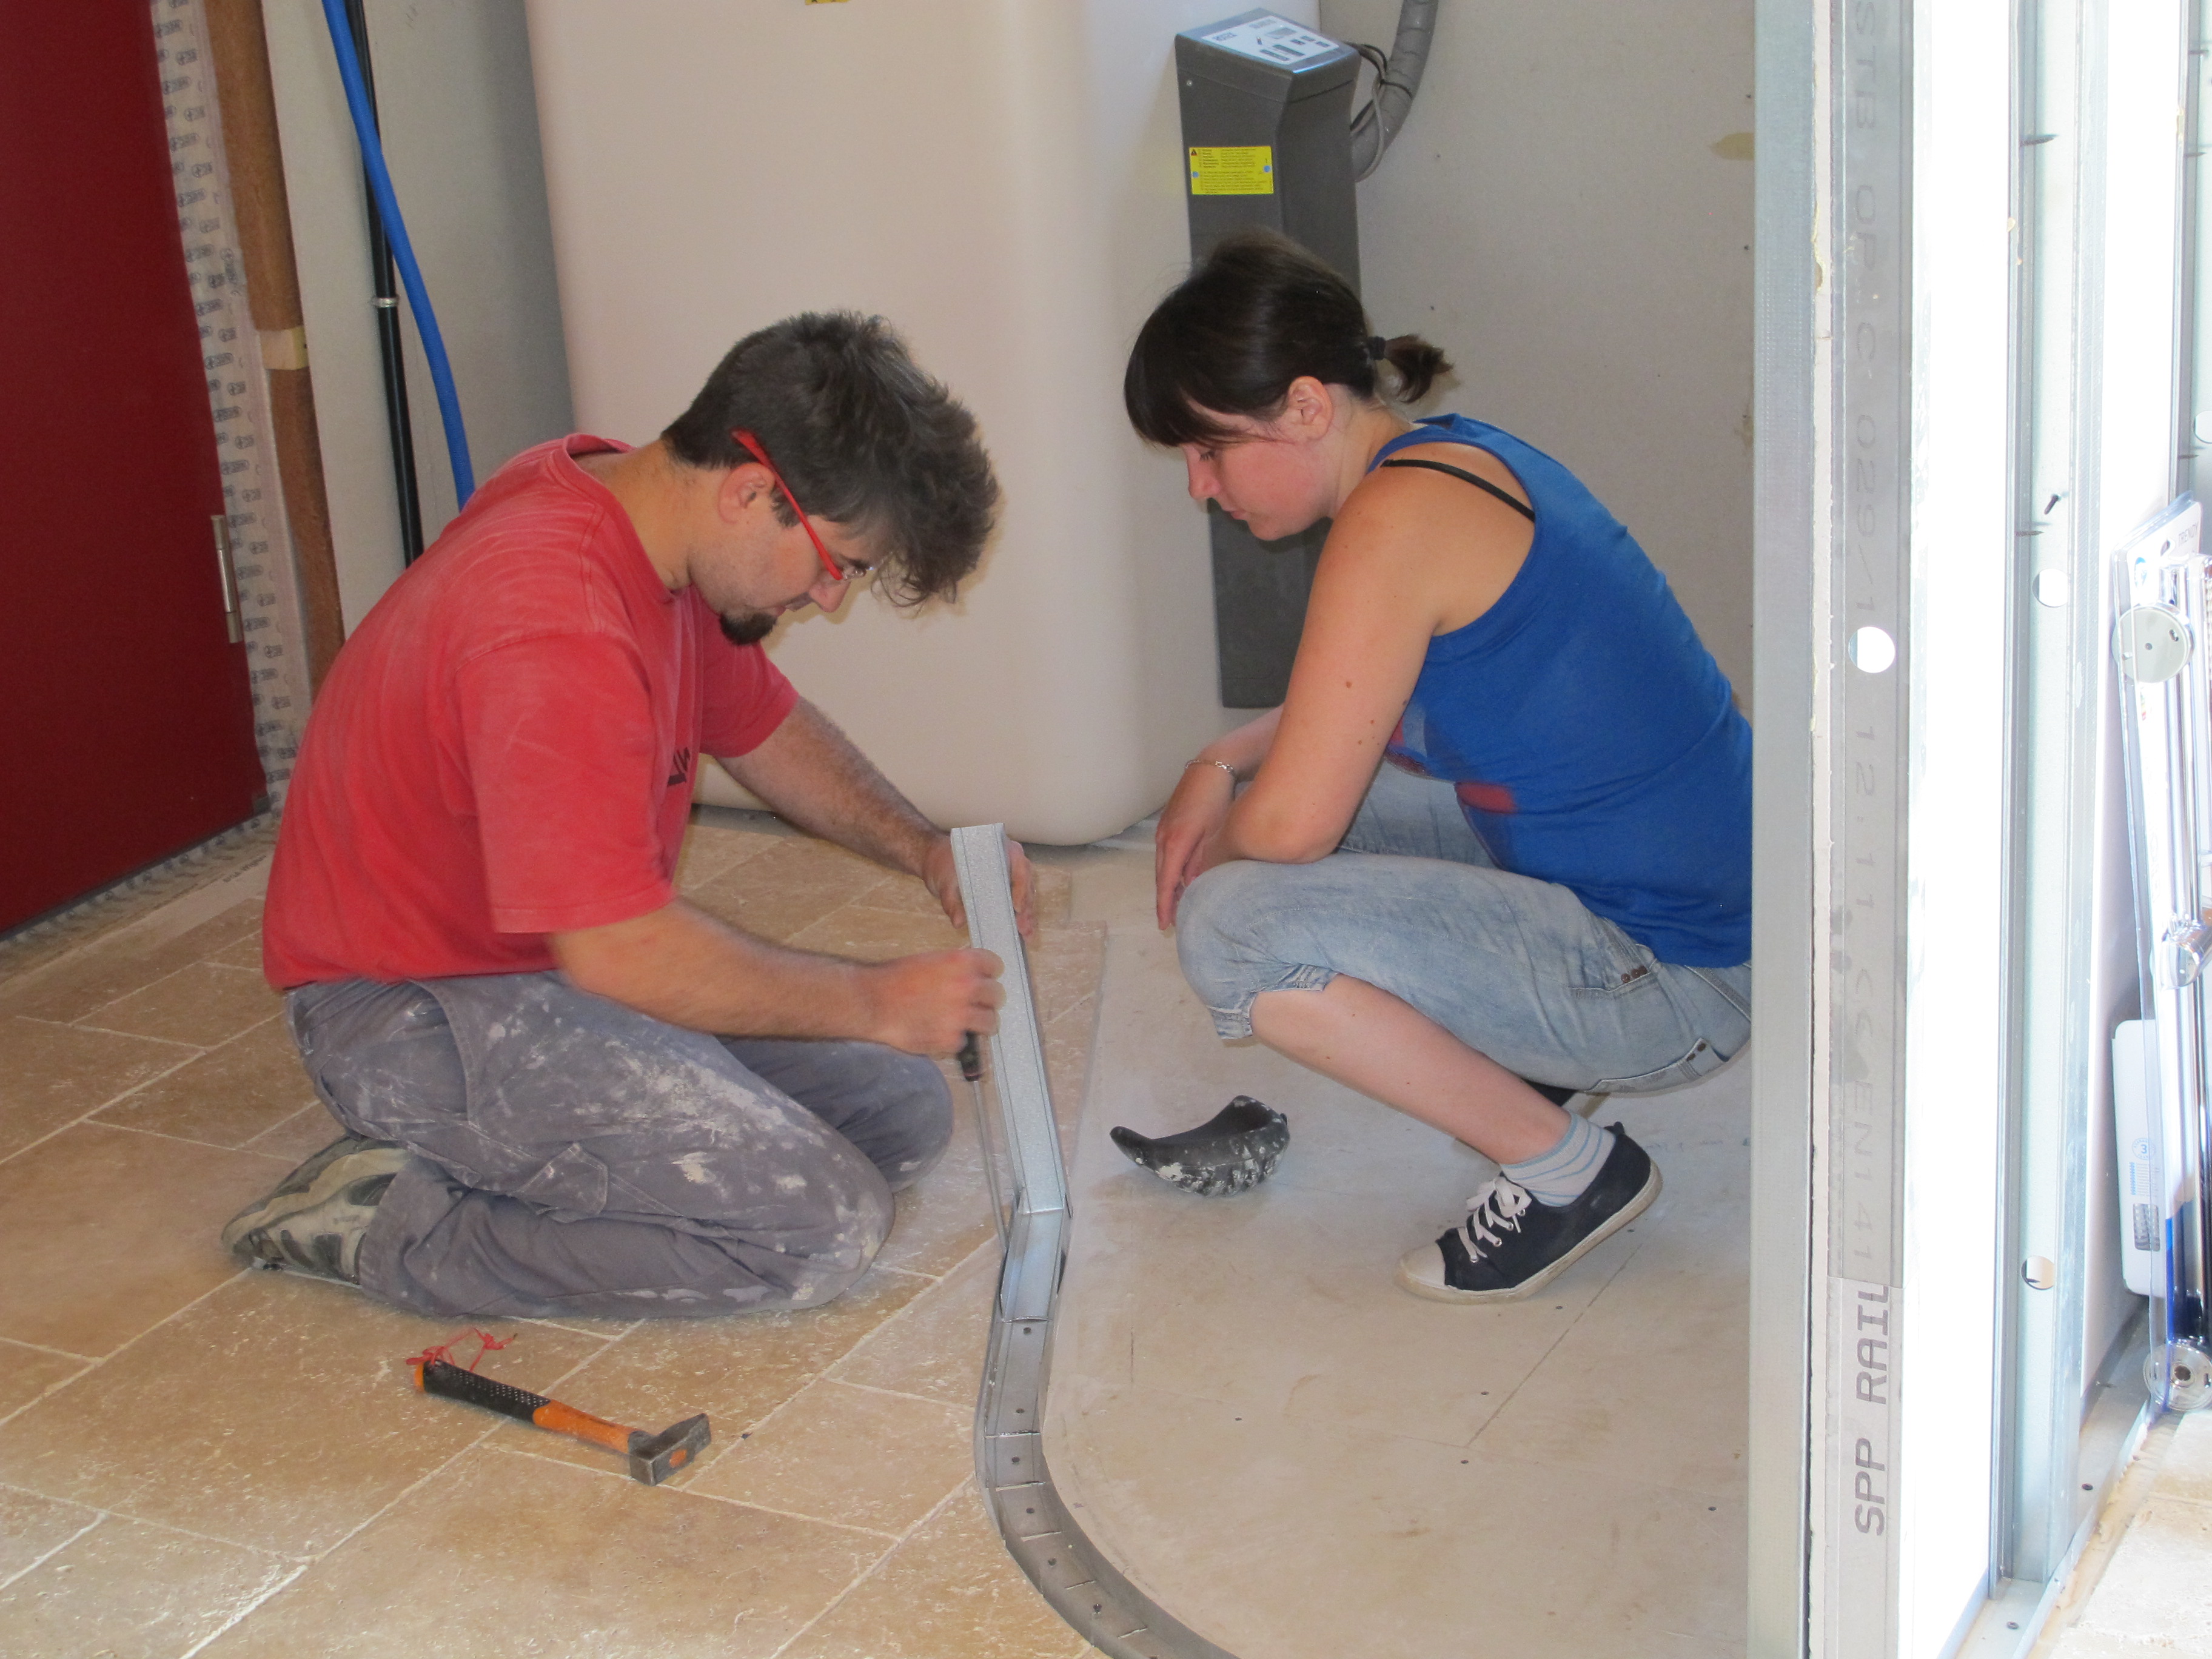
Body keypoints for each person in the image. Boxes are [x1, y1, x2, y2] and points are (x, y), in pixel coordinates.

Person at [225, 311, 1028, 1322]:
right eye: (839, 566)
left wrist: (924, 847)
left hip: (547, 966)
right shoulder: (554, 620)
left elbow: (767, 731)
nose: (830, 600)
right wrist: (871, 1001)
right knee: (815, 1226)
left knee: (899, 1114)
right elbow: (618, 948)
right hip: (411, 1010)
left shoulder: (648, 522)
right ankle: (393, 1221)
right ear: (752, 491)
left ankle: (534, 1149)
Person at [1128, 232, 1751, 1304]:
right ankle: (1536, 1071)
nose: (1200, 486)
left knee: (1232, 928)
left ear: (1306, 408)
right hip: (1702, 906)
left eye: (1209, 450)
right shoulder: (1455, 461)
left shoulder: (1392, 523)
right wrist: (1219, 761)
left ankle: (1569, 1174)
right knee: (1318, 812)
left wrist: (1216, 853)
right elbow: (1352, 707)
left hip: (1680, 982)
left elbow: (1294, 829)